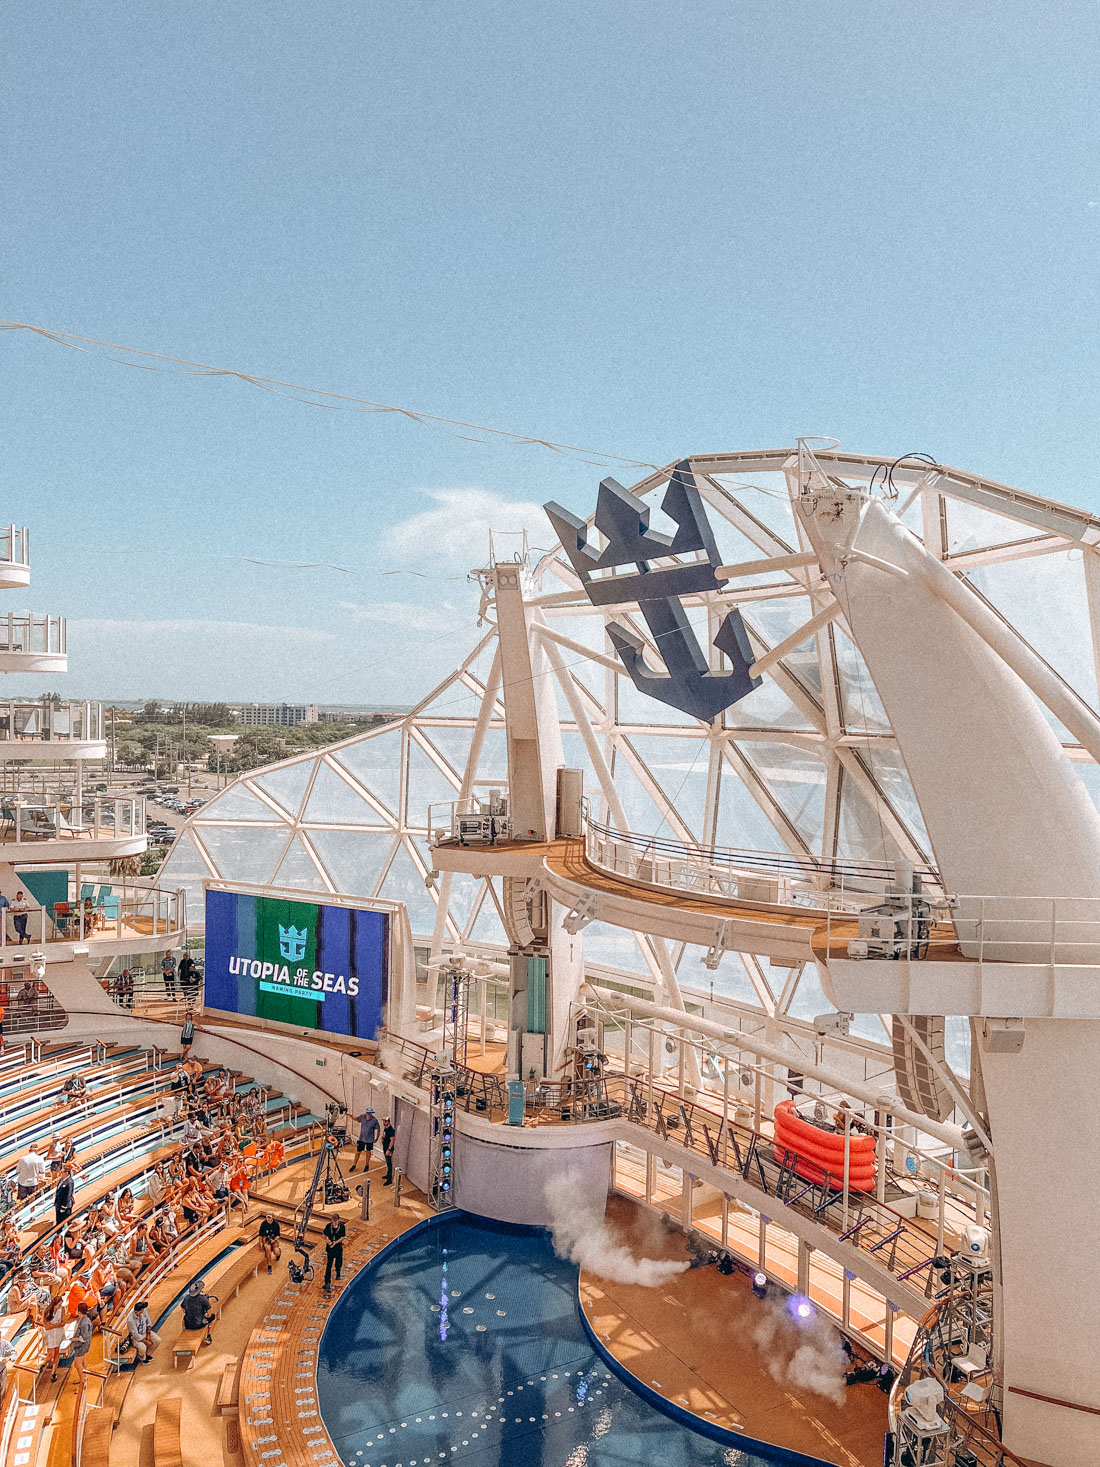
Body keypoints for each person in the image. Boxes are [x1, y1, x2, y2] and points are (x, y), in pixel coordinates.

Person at [181, 1279, 215, 1344]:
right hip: (199, 1324)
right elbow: (210, 1313)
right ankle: (208, 1336)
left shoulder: (186, 1298)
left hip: (188, 1324)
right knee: (212, 1318)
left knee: (183, 1318)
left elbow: (182, 1307)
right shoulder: (203, 1299)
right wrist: (205, 1315)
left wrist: (188, 1312)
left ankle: (184, 1331)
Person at [349, 1107, 379, 1173]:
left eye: (369, 1113)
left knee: (368, 1152)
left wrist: (376, 1138)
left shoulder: (374, 1120)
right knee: (358, 1152)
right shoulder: (362, 1117)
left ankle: (367, 1165)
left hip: (370, 1139)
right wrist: (349, 1115)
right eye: (367, 1112)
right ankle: (354, 1165)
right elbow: (356, 1118)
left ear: (371, 1113)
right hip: (362, 1138)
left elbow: (378, 1128)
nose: (368, 1113)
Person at [322, 1214, 346, 1294]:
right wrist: (327, 1240)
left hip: (338, 1247)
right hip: (330, 1249)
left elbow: (343, 1237)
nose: (335, 1222)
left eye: (336, 1221)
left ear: (338, 1220)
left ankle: (338, 1273)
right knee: (329, 1265)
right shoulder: (328, 1226)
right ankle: (327, 1283)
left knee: (339, 1262)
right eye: (333, 1220)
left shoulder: (342, 1227)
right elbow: (324, 1235)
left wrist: (335, 1242)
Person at [71, 1300, 95, 1378]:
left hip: (82, 1345)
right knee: (83, 1361)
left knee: (77, 1364)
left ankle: (82, 1381)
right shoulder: (80, 1318)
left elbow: (83, 1337)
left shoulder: (85, 1322)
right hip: (79, 1344)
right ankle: (84, 1377)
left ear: (79, 1311)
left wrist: (72, 1339)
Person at [381, 1116, 395, 1186]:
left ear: (388, 1122)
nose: (384, 1122)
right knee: (387, 1162)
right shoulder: (385, 1129)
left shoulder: (391, 1130)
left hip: (388, 1149)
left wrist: (389, 1149)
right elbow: (384, 1136)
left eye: (385, 1121)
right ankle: (387, 1174)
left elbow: (392, 1141)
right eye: (383, 1121)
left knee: (389, 1163)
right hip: (385, 1147)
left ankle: (389, 1179)